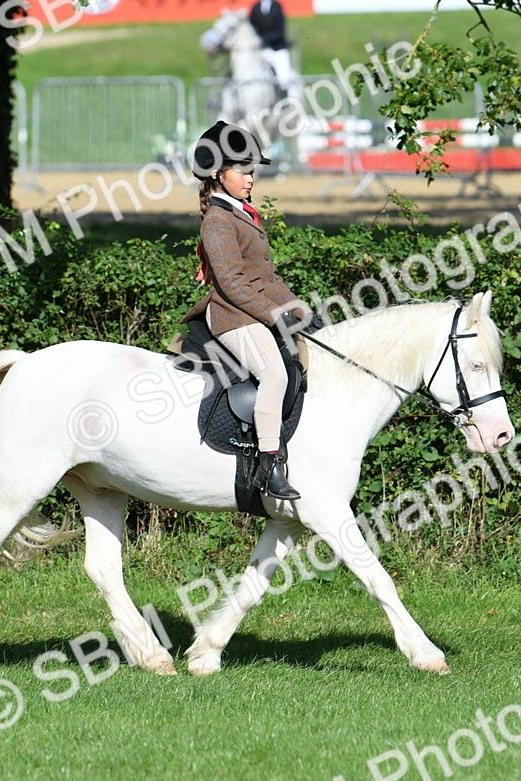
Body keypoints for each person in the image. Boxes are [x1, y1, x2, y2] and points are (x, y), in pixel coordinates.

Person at [182, 120, 322, 501]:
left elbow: (267, 277)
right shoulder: (217, 220)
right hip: (231, 314)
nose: (250, 179)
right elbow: (233, 284)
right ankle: (269, 464)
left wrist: (299, 309)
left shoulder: (242, 213)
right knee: (274, 374)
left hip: (250, 309)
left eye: (252, 171)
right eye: (243, 171)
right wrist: (275, 315)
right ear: (217, 173)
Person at [248, 0, 300, 100]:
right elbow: (251, 26)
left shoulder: (277, 6)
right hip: (263, 50)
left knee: (283, 77)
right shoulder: (256, 7)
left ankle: (291, 101)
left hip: (278, 49)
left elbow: (280, 30)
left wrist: (262, 39)